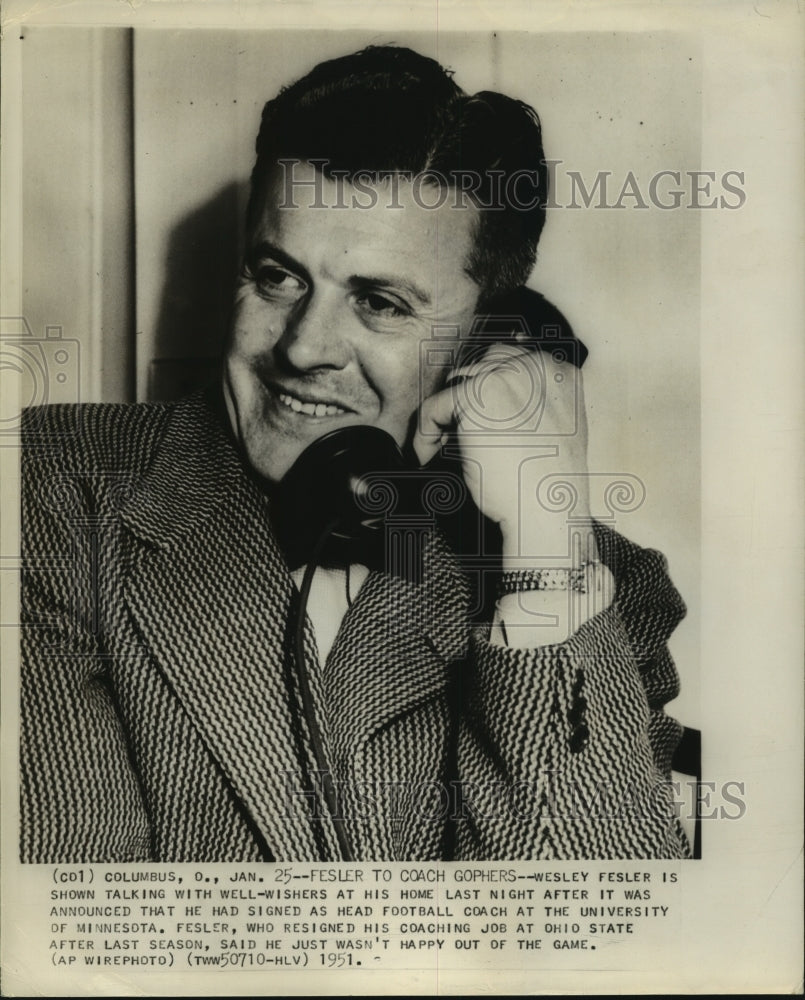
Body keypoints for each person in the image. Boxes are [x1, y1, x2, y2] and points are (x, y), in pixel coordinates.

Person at [20, 45, 690, 863]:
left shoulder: (604, 590)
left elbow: (602, 948)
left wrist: (543, 561)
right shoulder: (52, 486)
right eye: (277, 277)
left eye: (378, 303)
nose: (303, 347)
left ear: (484, 344)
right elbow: (71, 935)